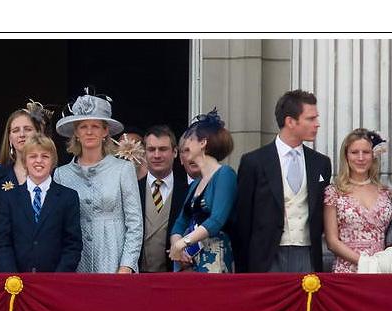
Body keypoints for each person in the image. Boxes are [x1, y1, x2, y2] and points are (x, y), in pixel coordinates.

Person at [234, 89, 332, 273]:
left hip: (308, 253)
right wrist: (243, 268)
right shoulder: (254, 162)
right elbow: (243, 219)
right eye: (311, 119)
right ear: (290, 121)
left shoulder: (321, 163)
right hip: (266, 256)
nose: (317, 124)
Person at [53, 89, 143, 273]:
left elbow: (135, 223)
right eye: (83, 126)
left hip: (114, 261)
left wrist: (126, 265)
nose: (89, 132)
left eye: (95, 126)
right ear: (76, 132)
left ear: (105, 131)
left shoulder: (122, 169)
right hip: (75, 264)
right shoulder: (61, 175)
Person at [0, 101, 52, 272]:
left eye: (27, 129)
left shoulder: (53, 177)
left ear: (38, 133)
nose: (21, 135)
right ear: (9, 137)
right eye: (15, 130)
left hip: (42, 271)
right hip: (2, 272)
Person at [0, 134, 82, 272]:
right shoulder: (9, 198)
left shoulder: (68, 197)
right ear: (25, 161)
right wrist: (13, 278)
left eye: (45, 156)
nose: (38, 161)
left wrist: (58, 278)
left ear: (53, 161)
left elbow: (72, 245)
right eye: (33, 156)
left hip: (54, 282)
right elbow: (2, 243)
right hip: (17, 282)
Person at [169, 109, 237, 273]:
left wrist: (182, 243)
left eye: (191, 139)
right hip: (188, 260)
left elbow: (216, 220)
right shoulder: (196, 183)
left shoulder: (225, 174)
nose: (186, 144)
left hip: (214, 258)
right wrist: (178, 244)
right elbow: (180, 223)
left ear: (203, 143)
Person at [324, 128, 392, 273]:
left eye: (366, 152)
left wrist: (390, 254)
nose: (360, 158)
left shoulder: (387, 193)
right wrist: (365, 263)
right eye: (354, 152)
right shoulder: (334, 192)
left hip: (381, 271)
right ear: (346, 156)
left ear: (373, 155)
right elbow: (332, 242)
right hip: (347, 272)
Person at [138, 125, 189, 272]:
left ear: (174, 152)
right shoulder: (132, 189)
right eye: (151, 149)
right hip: (136, 277)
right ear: (144, 153)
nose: (157, 155)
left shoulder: (188, 191)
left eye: (163, 149)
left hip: (174, 276)